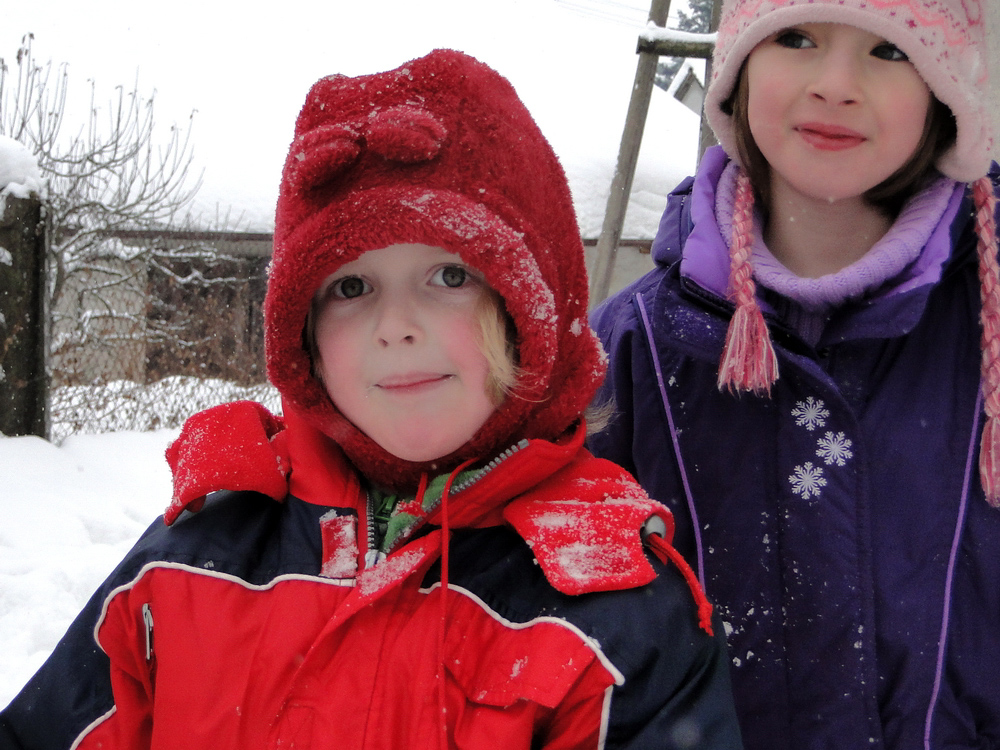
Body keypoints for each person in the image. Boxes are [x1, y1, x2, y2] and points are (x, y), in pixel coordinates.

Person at [0, 50, 744, 749]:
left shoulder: (613, 612)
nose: (395, 327)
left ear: (533, 311)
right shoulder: (195, 559)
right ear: (304, 336)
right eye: (351, 286)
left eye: (449, 276)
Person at [588, 1, 1000, 748]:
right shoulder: (632, 348)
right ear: (738, 69)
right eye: (797, 37)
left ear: (947, 91)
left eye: (890, 50)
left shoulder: (987, 330)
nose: (835, 84)